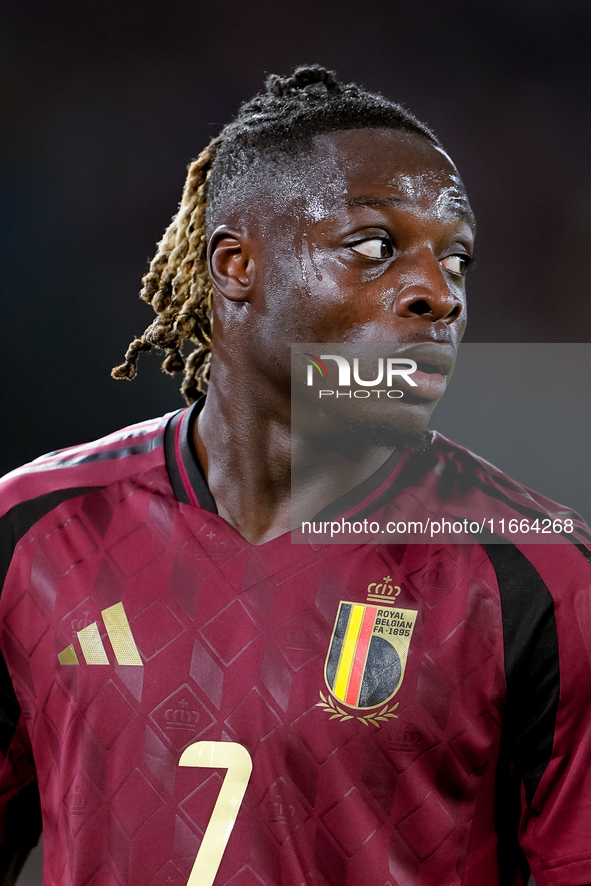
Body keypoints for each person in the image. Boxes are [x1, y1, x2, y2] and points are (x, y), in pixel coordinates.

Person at [1, 65, 590, 886]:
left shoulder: (539, 577)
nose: (437, 294)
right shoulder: (33, 531)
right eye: (374, 247)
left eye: (455, 261)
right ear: (236, 266)